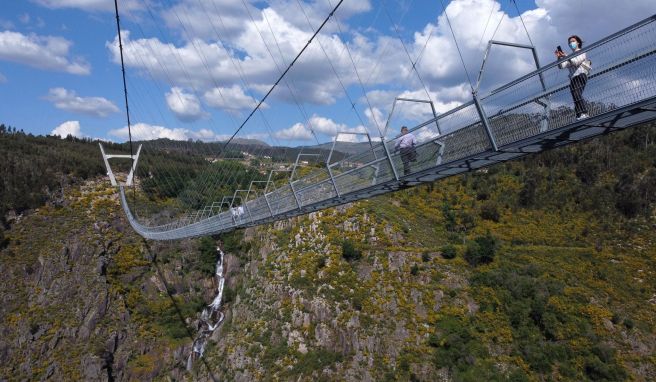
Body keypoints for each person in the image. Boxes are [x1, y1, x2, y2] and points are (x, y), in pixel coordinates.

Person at [555, 35, 592, 120]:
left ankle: (584, 113)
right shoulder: (570, 56)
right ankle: (579, 115)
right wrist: (559, 57)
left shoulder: (581, 52)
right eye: (569, 42)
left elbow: (576, 62)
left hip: (581, 75)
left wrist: (566, 56)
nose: (571, 43)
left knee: (577, 93)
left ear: (578, 42)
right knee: (575, 96)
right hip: (573, 78)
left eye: (573, 41)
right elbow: (562, 66)